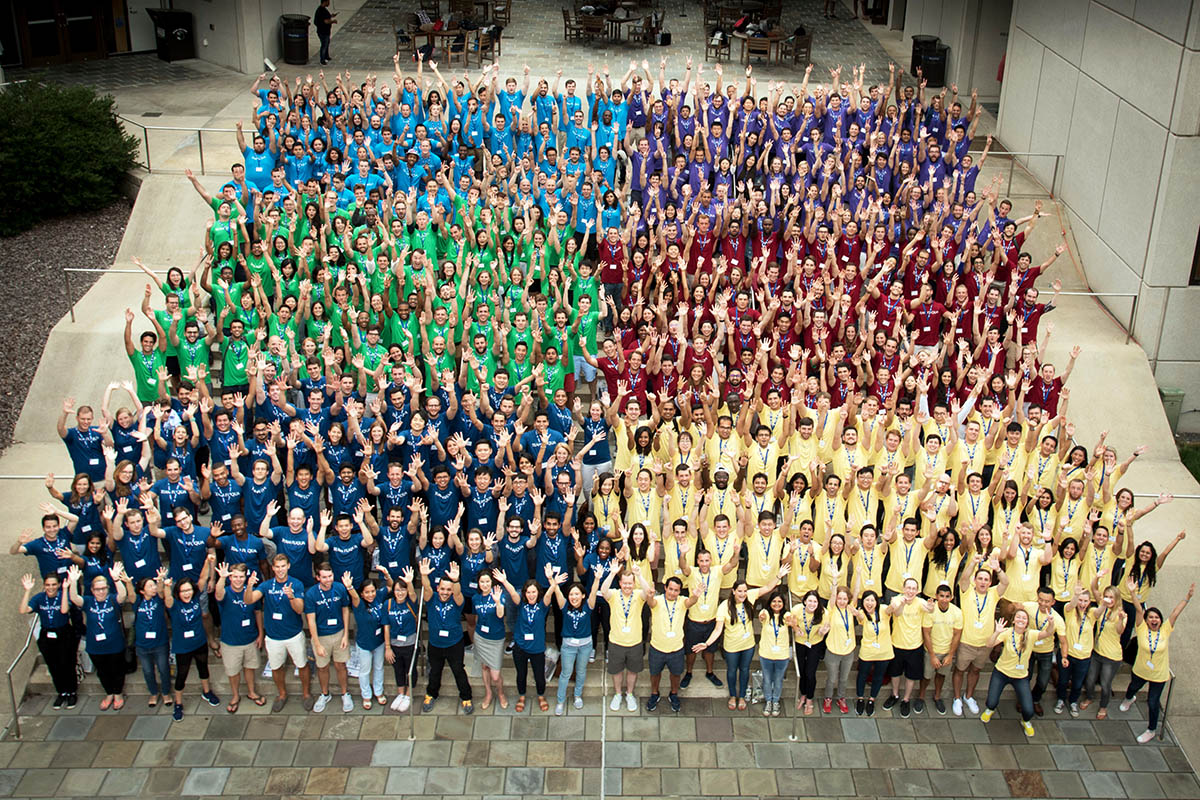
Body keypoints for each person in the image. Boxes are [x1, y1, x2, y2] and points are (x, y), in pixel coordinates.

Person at [1120, 579, 1194, 743]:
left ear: (1160, 620)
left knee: (1153, 703)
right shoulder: (1142, 629)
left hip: (1159, 675)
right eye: (1151, 617)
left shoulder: (1166, 629)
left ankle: (1151, 729)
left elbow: (1175, 613)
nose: (1154, 620)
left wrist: (1187, 597)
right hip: (1140, 670)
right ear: (1146, 620)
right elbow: (1139, 610)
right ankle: (1129, 698)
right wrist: (1132, 592)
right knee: (1132, 687)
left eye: (1157, 617)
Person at [247, 553, 314, 712]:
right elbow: (249, 600)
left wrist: (291, 597)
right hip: (273, 636)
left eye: (283, 566)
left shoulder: (296, 584)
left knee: (302, 664)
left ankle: (306, 694)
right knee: (276, 667)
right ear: (273, 568)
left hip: (294, 634)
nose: (280, 570)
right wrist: (249, 586)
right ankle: (282, 694)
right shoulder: (266, 585)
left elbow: (300, 610)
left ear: (288, 566)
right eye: (277, 567)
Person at [979, 608, 1054, 737]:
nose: (1021, 619)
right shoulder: (1007, 632)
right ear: (1013, 620)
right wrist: (996, 632)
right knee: (991, 702)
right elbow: (989, 644)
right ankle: (990, 709)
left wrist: (1051, 623)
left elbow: (1048, 633)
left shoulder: (1031, 634)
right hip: (1001, 673)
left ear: (1027, 623)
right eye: (1018, 617)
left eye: (1024, 618)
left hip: (1020, 677)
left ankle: (1026, 722)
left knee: (1028, 710)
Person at [164, 566, 223, 721]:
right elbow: (167, 599)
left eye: (189, 590)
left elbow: (202, 578)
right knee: (182, 674)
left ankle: (207, 692)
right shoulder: (175, 605)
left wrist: (207, 561)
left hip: (199, 642)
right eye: (183, 591)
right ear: (178, 592)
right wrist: (165, 586)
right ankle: (178, 703)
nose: (187, 593)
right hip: (183, 646)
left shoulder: (196, 599)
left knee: (203, 668)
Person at [65, 563, 127, 709]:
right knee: (103, 671)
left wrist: (116, 579)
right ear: (92, 590)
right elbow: (74, 598)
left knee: (117, 670)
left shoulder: (112, 599)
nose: (101, 592)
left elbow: (123, 595)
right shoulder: (88, 601)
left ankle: (118, 693)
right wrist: (73, 582)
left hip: (115, 644)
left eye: (103, 588)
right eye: (97, 589)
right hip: (95, 646)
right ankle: (109, 693)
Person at [420, 559, 473, 714]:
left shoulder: (457, 601)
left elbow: (457, 593)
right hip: (435, 644)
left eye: (448, 589)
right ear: (438, 588)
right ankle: (431, 694)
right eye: (442, 589)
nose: (445, 592)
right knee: (435, 671)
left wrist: (456, 580)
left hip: (454, 644)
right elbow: (426, 587)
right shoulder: (432, 599)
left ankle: (466, 697)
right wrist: (424, 575)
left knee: (458, 670)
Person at [213, 561, 266, 712]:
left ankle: (251, 692)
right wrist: (222, 578)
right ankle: (235, 695)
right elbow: (218, 594)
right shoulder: (226, 592)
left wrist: (261, 634)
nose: (238, 579)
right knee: (233, 671)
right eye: (235, 576)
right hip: (230, 641)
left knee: (250, 667)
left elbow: (257, 612)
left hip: (250, 638)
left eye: (241, 577)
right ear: (230, 578)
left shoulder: (251, 591)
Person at [19, 572, 77, 709]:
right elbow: (23, 610)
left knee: (67, 664)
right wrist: (27, 591)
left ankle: (71, 692)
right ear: (44, 586)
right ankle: (61, 692)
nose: (50, 588)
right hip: (47, 635)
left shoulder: (63, 595)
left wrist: (64, 590)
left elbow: (64, 611)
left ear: (58, 585)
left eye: (53, 585)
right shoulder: (39, 598)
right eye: (47, 585)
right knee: (53, 665)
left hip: (63, 633)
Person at [600, 561, 651, 712]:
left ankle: (629, 694)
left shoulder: (638, 595)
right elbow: (603, 590)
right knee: (616, 671)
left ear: (634, 584)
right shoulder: (614, 595)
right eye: (625, 583)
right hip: (616, 641)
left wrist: (639, 575)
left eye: (630, 583)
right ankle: (617, 694)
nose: (627, 586)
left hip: (634, 642)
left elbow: (648, 591)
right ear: (620, 583)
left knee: (632, 671)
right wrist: (612, 573)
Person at [304, 563, 354, 713]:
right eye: (324, 577)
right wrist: (317, 644)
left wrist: (346, 634)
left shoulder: (339, 588)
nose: (328, 580)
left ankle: (345, 693)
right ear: (318, 577)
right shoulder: (311, 594)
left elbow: (345, 610)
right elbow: (310, 620)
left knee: (340, 666)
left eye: (330, 576)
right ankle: (325, 693)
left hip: (339, 633)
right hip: (321, 636)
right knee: (322, 667)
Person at [551, 564, 599, 714]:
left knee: (581, 671)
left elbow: (594, 592)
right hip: (568, 646)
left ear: (582, 595)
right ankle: (560, 700)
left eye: (577, 594)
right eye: (571, 594)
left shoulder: (588, 606)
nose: (574, 597)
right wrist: (552, 580)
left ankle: (577, 695)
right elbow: (557, 591)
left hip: (585, 646)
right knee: (566, 673)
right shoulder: (565, 605)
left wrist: (597, 578)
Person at [314, 0, 337, 66]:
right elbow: (325, 21)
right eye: (328, 1)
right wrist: (333, 21)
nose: (329, 3)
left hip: (325, 31)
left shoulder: (322, 10)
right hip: (323, 31)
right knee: (324, 44)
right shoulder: (321, 11)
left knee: (326, 43)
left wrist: (331, 16)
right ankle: (322, 60)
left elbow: (326, 17)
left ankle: (326, 56)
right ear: (325, 1)